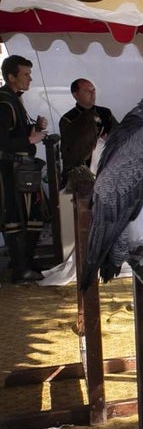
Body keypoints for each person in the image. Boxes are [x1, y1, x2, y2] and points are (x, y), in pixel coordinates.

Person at [0, 55, 48, 283]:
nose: (30, 78)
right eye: (25, 74)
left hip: (21, 170)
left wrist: (34, 128)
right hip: (11, 171)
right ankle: (21, 269)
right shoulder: (4, 102)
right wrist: (31, 140)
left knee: (32, 217)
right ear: (11, 77)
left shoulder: (13, 99)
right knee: (18, 217)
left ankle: (26, 262)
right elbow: (2, 141)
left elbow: (15, 133)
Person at [59, 77, 119, 179]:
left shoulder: (105, 113)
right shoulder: (68, 119)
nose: (92, 94)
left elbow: (120, 135)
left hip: (107, 168)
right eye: (87, 91)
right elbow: (70, 151)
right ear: (75, 95)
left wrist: (110, 139)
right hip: (80, 172)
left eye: (93, 90)